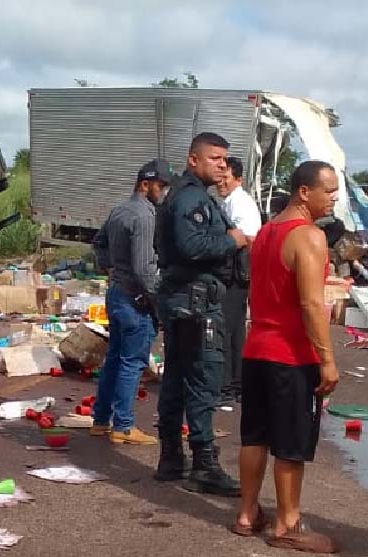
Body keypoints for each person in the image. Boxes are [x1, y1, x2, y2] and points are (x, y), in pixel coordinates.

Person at [233, 160, 340, 553]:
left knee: (255, 435)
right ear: (303, 192)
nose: (333, 199)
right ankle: (287, 523)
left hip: (257, 346)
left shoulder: (265, 233)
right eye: (328, 191)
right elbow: (312, 303)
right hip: (290, 354)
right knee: (290, 442)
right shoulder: (308, 236)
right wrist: (327, 358)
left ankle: (247, 513)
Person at [153, 132, 250, 495]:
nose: (222, 165)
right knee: (203, 379)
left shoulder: (187, 195)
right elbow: (192, 246)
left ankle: (171, 459)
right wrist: (233, 241)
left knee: (178, 377)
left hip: (185, 298)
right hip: (195, 302)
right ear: (193, 160)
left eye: (225, 160)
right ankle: (204, 465)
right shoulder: (190, 197)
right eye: (215, 159)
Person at [90, 160, 172, 444]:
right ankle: (123, 425)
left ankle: (100, 419)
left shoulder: (120, 210)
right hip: (135, 299)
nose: (163, 193)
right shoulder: (144, 216)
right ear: (145, 184)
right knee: (132, 362)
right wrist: (159, 305)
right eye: (161, 186)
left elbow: (99, 242)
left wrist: (109, 267)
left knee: (114, 358)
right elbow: (144, 269)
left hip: (116, 293)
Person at [217, 156, 262, 404]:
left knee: (226, 330)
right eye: (219, 177)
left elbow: (247, 238)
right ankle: (234, 383)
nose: (220, 182)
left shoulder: (239, 203)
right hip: (238, 273)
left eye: (226, 178)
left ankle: (229, 385)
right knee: (233, 330)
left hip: (236, 274)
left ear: (238, 179)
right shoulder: (230, 202)